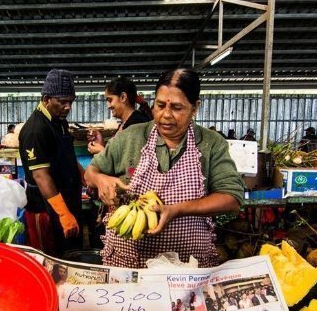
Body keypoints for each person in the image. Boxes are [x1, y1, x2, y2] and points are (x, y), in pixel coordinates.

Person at [84, 68, 244, 268]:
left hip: (188, 267)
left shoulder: (211, 143)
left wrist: (177, 210)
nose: (166, 115)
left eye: (177, 107)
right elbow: (90, 173)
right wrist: (100, 180)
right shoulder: (130, 137)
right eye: (160, 105)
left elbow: (232, 197)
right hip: (128, 264)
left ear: (195, 108)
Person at [18, 69, 83, 257]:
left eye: (71, 101)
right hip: (46, 209)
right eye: (62, 102)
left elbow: (67, 157)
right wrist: (63, 213)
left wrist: (85, 178)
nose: (68, 107)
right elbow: (41, 176)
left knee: (70, 256)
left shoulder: (59, 121)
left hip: (68, 200)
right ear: (46, 99)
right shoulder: (35, 130)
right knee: (51, 259)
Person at [87, 76, 152, 155]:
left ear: (123, 97)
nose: (108, 106)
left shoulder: (138, 124)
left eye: (110, 100)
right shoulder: (126, 123)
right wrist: (101, 144)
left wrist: (102, 151)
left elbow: (132, 160)